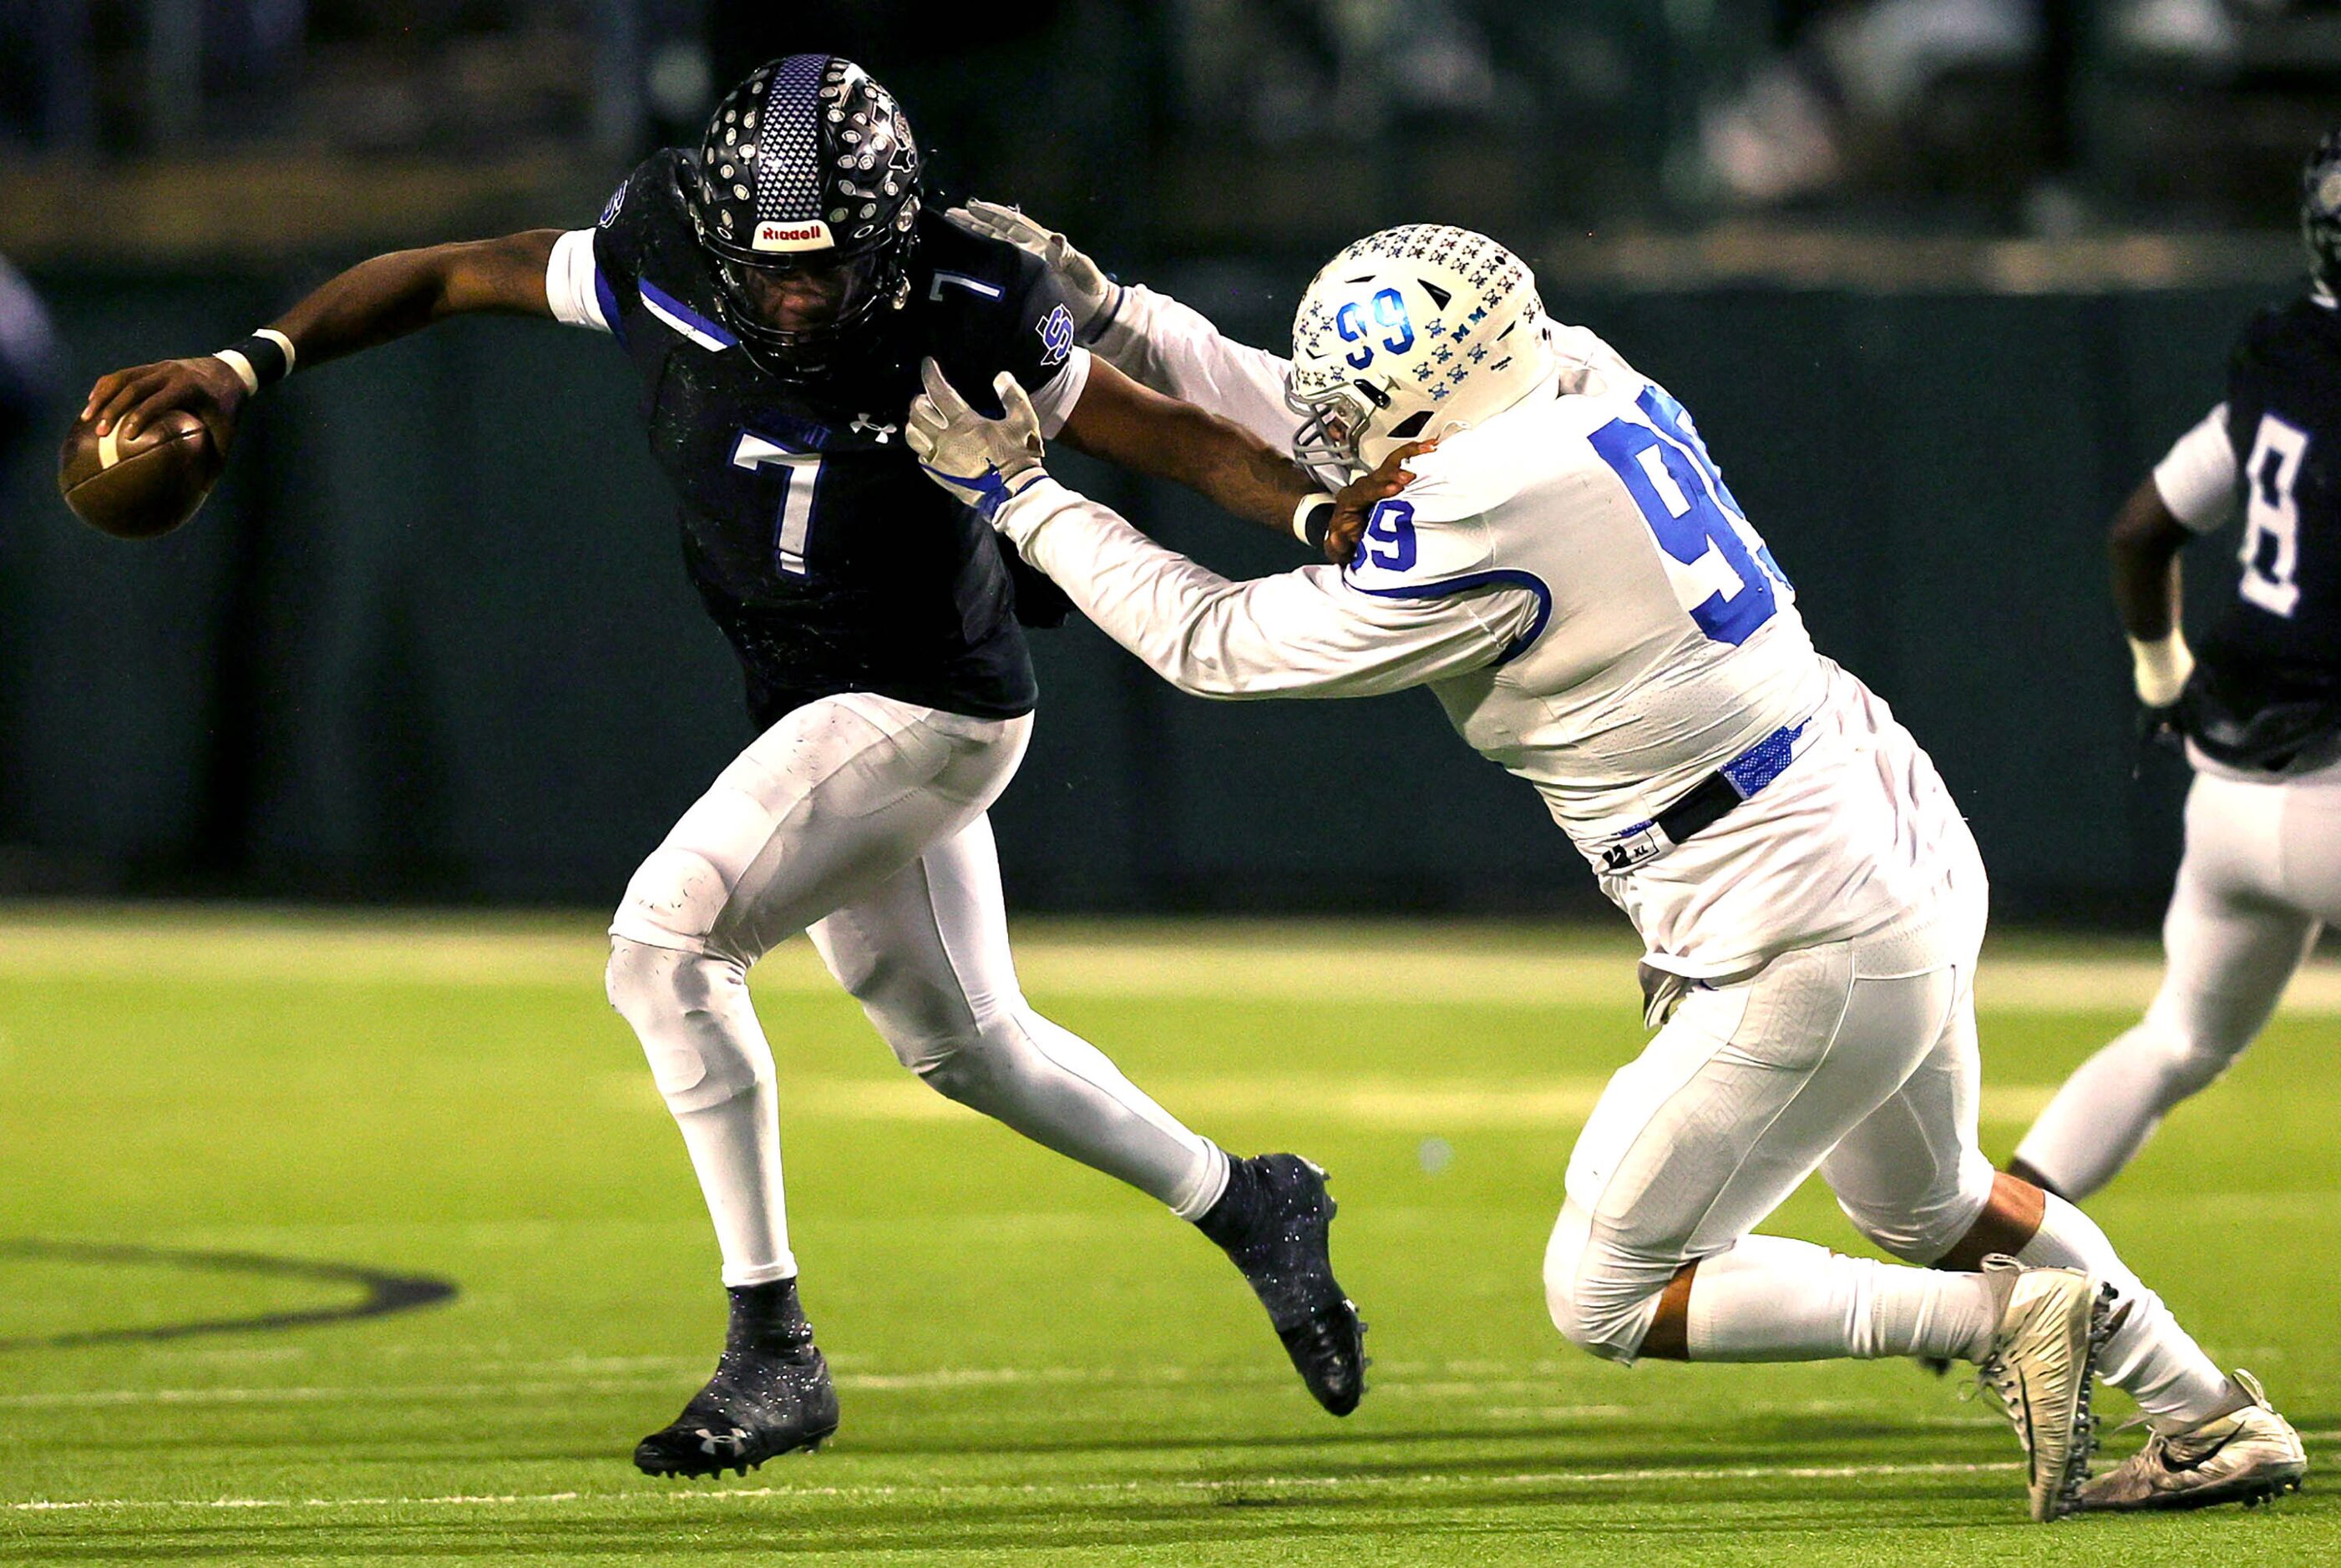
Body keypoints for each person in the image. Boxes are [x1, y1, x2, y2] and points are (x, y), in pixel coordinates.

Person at [77, 53, 1372, 1478]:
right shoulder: (661, 244)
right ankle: (1248, 1201)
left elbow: (1169, 430)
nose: (797, 297)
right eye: (774, 270)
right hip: (808, 696)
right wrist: (249, 360)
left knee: (664, 944)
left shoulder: (972, 297)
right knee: (965, 1045)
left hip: (930, 702)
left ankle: (774, 1347)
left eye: (828, 271)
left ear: (890, 233)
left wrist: (1315, 513)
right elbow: (452, 273)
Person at [905, 211, 2308, 1519]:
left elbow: (1211, 641)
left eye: (1358, 406)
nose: (1330, 429)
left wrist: (1018, 499)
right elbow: (1327, 428)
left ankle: (1997, 1320)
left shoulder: (1476, 513)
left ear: (1430, 405)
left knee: (1609, 1285)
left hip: (1785, 904)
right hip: (1872, 808)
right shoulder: (1572, 375)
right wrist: (1123, 314)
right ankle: (2203, 1412)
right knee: (1928, 1202)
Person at [2013, 139, 2341, 1209]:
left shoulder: (2282, 366)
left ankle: (1981, 1276)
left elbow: (2140, 530)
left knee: (2175, 1041)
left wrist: (2160, 677)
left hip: (2230, 793)